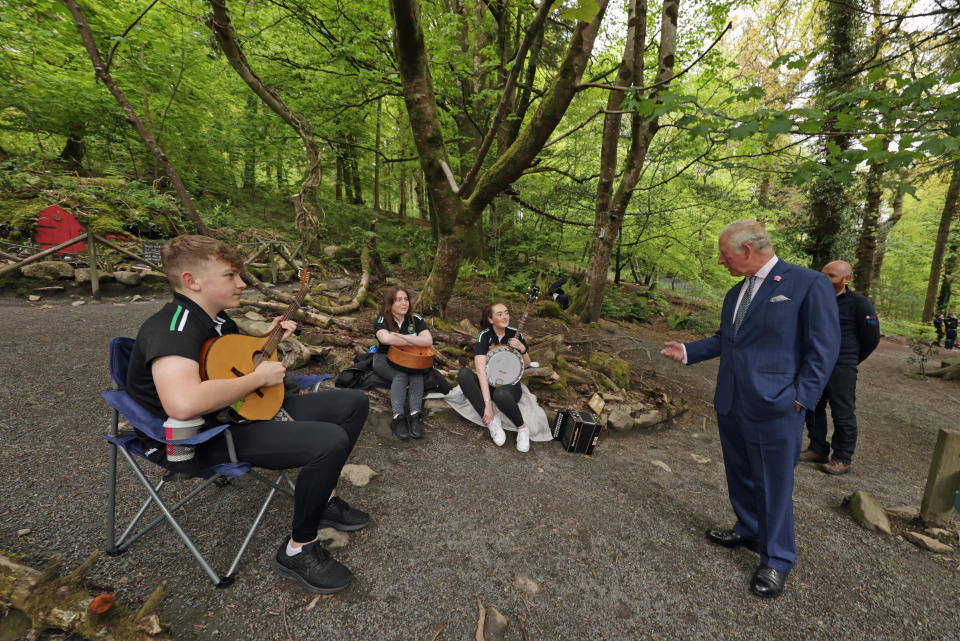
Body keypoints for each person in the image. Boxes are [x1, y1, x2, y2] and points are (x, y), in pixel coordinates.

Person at [126, 235, 370, 594]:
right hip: (200, 438)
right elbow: (183, 403)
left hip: (237, 414)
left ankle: (324, 499)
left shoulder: (217, 320)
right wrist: (257, 378)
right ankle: (298, 549)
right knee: (328, 441)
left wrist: (266, 341)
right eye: (230, 276)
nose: (242, 283)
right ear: (192, 281)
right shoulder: (173, 329)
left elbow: (227, 365)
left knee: (353, 403)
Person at [660, 220, 839, 599]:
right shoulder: (735, 293)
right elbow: (728, 340)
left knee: (774, 484)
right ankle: (747, 529)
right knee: (740, 471)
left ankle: (776, 559)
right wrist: (688, 351)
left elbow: (824, 350)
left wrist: (801, 398)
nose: (720, 260)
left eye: (724, 254)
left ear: (747, 250)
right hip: (732, 400)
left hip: (777, 405)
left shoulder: (807, 283)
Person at [800, 261, 880, 475]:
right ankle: (817, 448)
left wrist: (849, 359)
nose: (825, 280)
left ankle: (842, 457)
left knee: (842, 411)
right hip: (815, 363)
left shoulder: (859, 304)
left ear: (847, 279)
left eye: (832, 276)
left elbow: (871, 339)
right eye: (823, 274)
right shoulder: (814, 299)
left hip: (842, 365)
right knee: (812, 405)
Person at [457, 302, 533, 452]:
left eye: (506, 312)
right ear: (491, 319)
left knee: (501, 394)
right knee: (464, 374)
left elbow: (527, 364)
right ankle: (492, 422)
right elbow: (480, 370)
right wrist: (487, 406)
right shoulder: (484, 335)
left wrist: (522, 349)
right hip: (488, 383)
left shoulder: (515, 333)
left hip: (509, 387)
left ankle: (523, 429)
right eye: (499, 314)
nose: (505, 317)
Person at [372, 286, 433, 440]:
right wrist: (415, 340)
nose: (404, 303)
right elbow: (385, 339)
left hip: (411, 358)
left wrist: (404, 338)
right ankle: (398, 417)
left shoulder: (416, 318)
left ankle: (414, 416)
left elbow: (428, 340)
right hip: (384, 358)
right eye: (399, 300)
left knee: (416, 373)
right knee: (401, 375)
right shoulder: (382, 319)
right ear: (390, 303)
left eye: (406, 299)